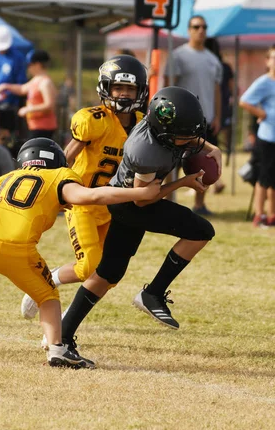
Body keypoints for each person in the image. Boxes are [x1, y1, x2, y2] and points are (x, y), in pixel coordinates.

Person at [0, 137, 161, 367]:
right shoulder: (59, 175)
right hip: (17, 244)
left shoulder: (8, 176)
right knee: (47, 296)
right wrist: (140, 193)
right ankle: (57, 348)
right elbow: (91, 195)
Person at [58, 86, 221, 356]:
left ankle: (62, 336)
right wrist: (184, 182)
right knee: (201, 230)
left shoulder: (159, 124)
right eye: (183, 136)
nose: (191, 140)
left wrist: (212, 147)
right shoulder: (146, 151)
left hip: (129, 202)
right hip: (131, 205)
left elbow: (185, 135)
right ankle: (153, 293)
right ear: (165, 134)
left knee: (108, 273)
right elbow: (144, 199)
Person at [21, 54, 148, 321]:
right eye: (118, 88)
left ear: (140, 91)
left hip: (111, 204)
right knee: (87, 266)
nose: (124, 95)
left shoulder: (143, 122)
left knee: (109, 273)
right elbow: (66, 156)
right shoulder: (94, 120)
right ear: (106, 88)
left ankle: (69, 316)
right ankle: (46, 282)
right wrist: (52, 189)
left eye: (130, 89)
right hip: (82, 201)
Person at [164, 15, 222, 215]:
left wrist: (217, 116)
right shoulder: (178, 56)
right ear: (188, 30)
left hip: (205, 120)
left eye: (204, 27)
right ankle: (168, 203)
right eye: (196, 26)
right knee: (172, 164)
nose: (201, 30)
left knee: (204, 164)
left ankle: (199, 205)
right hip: (181, 121)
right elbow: (167, 87)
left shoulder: (213, 59)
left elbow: (216, 90)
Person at [239, 45, 275, 227]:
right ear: (268, 61)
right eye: (274, 58)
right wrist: (262, 114)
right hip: (267, 137)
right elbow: (244, 101)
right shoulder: (264, 82)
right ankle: (259, 215)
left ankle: (272, 215)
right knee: (264, 177)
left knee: (273, 179)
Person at [0, 50, 58, 139]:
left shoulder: (45, 82)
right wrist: (6, 86)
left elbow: (50, 105)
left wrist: (28, 109)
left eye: (29, 65)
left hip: (43, 128)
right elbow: (22, 89)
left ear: (37, 64)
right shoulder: (35, 80)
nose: (28, 68)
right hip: (35, 127)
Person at [205, 37, 234, 178]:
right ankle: (217, 178)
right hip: (221, 109)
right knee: (216, 145)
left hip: (209, 109)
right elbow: (232, 88)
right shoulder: (225, 66)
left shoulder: (209, 64)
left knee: (204, 149)